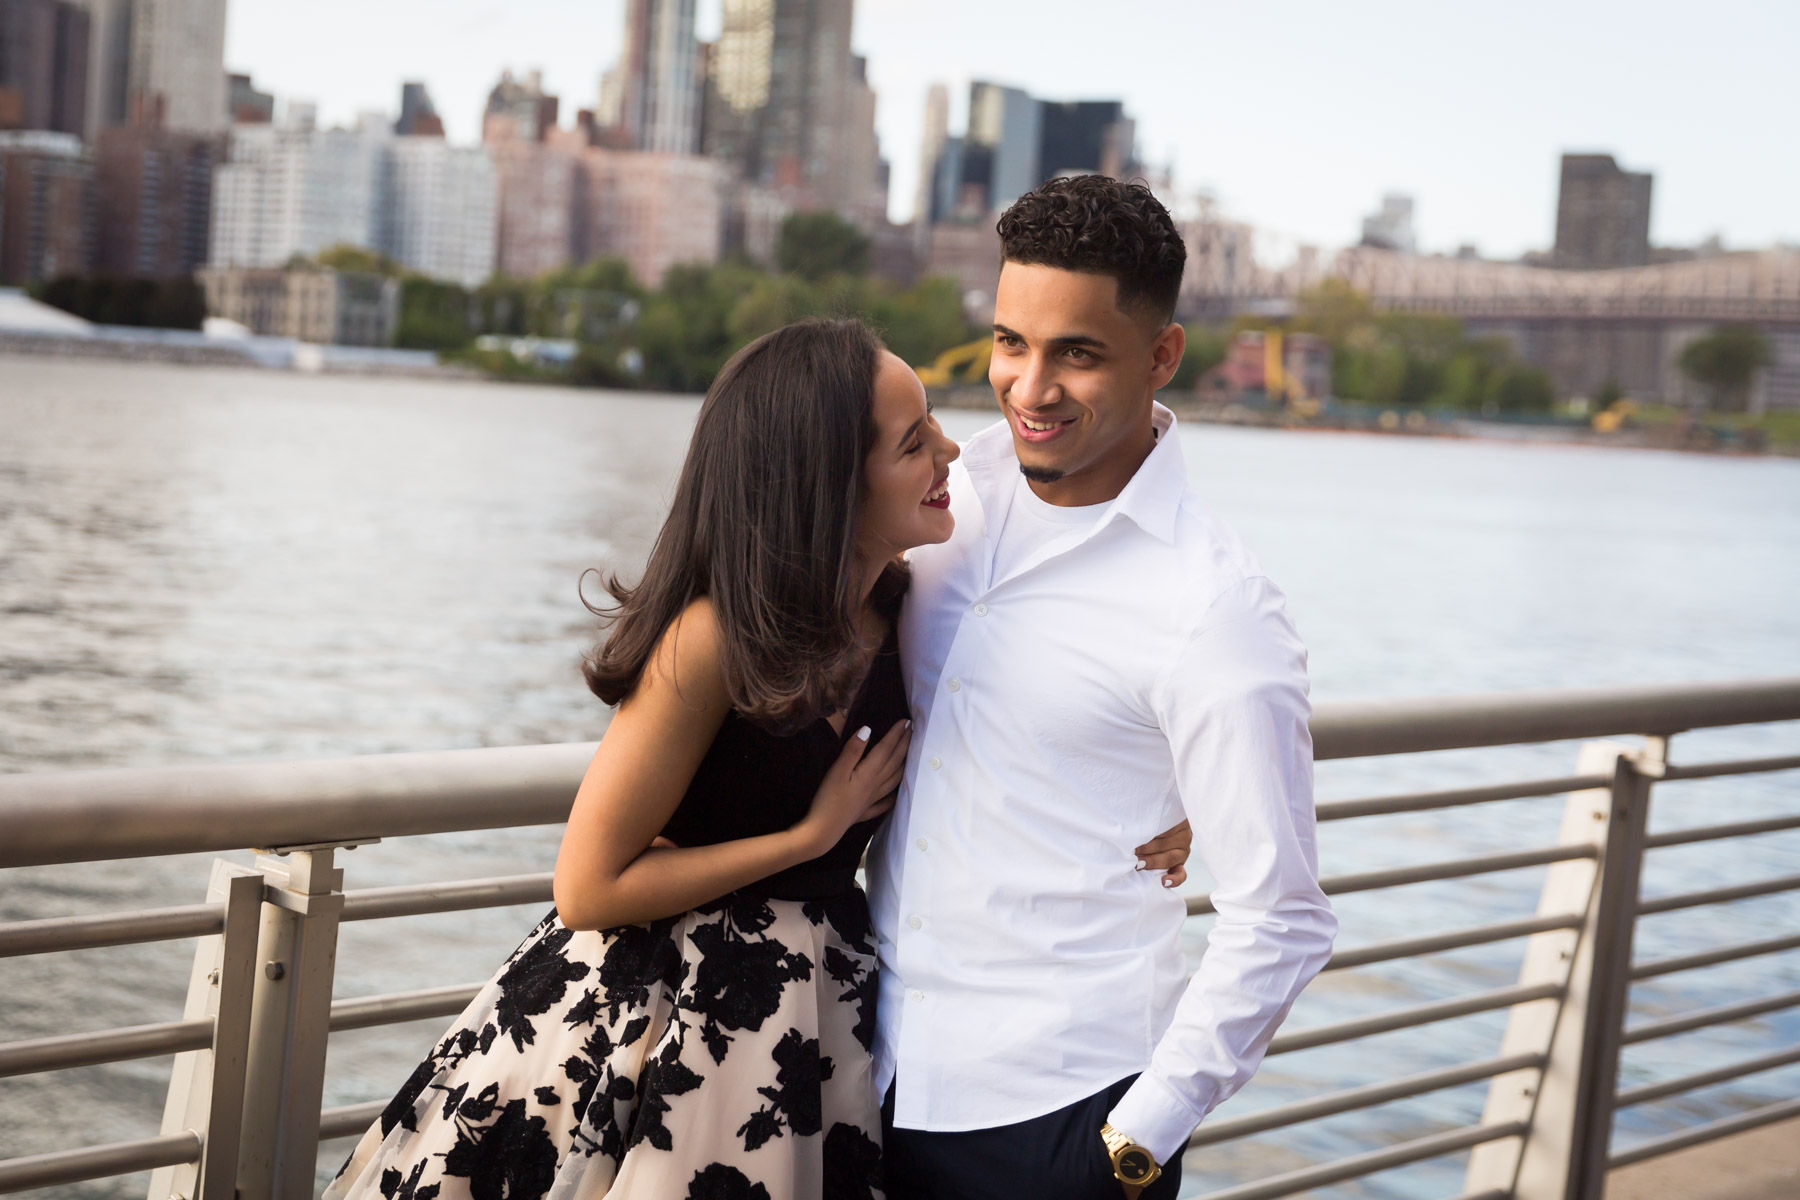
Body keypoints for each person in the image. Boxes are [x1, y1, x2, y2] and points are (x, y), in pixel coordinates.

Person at [324, 317, 1192, 1200]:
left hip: (813, 1021)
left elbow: (1054, 704)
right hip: (642, 1019)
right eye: (912, 442)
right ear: (829, 490)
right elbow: (586, 888)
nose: (952, 452)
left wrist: (1176, 799)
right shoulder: (711, 640)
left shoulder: (914, 616)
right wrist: (809, 837)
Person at [867, 176, 1338, 1199]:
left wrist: (1133, 1147)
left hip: (1060, 1115)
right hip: (867, 1071)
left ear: (1162, 355)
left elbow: (1284, 915)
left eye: (1077, 353)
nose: (1031, 389)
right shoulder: (942, 499)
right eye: (1010, 343)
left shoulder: (1216, 609)